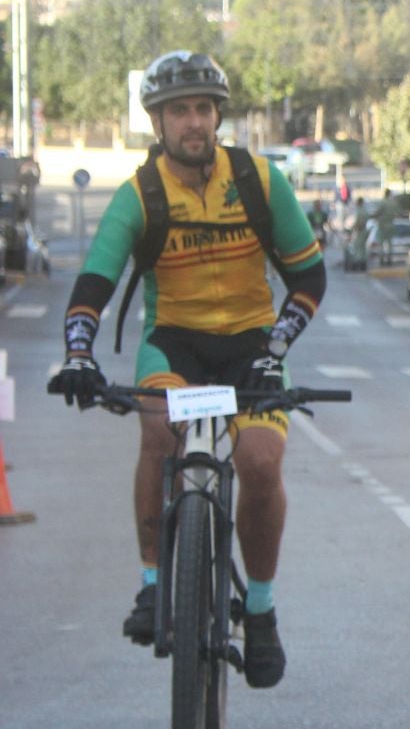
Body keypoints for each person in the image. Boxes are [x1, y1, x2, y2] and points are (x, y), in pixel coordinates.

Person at [47, 50, 326, 689]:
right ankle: (152, 584)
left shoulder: (258, 180)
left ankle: (259, 610)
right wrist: (80, 355)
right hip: (173, 344)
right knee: (156, 431)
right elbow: (94, 283)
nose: (193, 122)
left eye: (203, 108)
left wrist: (277, 345)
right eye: (179, 111)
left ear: (218, 116)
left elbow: (307, 274)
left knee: (259, 462)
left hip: (253, 345)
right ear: (158, 123)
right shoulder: (141, 194)